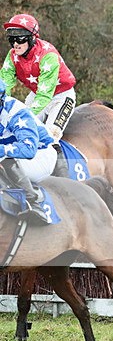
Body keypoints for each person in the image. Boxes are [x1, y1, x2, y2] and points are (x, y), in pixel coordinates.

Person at [2, 13, 76, 177]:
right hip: (36, 94)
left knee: (50, 134)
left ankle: (65, 178)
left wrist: (20, 115)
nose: (15, 43)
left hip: (61, 97)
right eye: (11, 39)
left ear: (32, 38)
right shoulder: (12, 55)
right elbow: (4, 84)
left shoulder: (48, 55)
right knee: (19, 130)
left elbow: (45, 95)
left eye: (20, 38)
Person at [0, 78, 56, 223]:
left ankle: (33, 203)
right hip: (18, 158)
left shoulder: (16, 112)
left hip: (41, 156)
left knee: (4, 158)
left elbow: (28, 149)